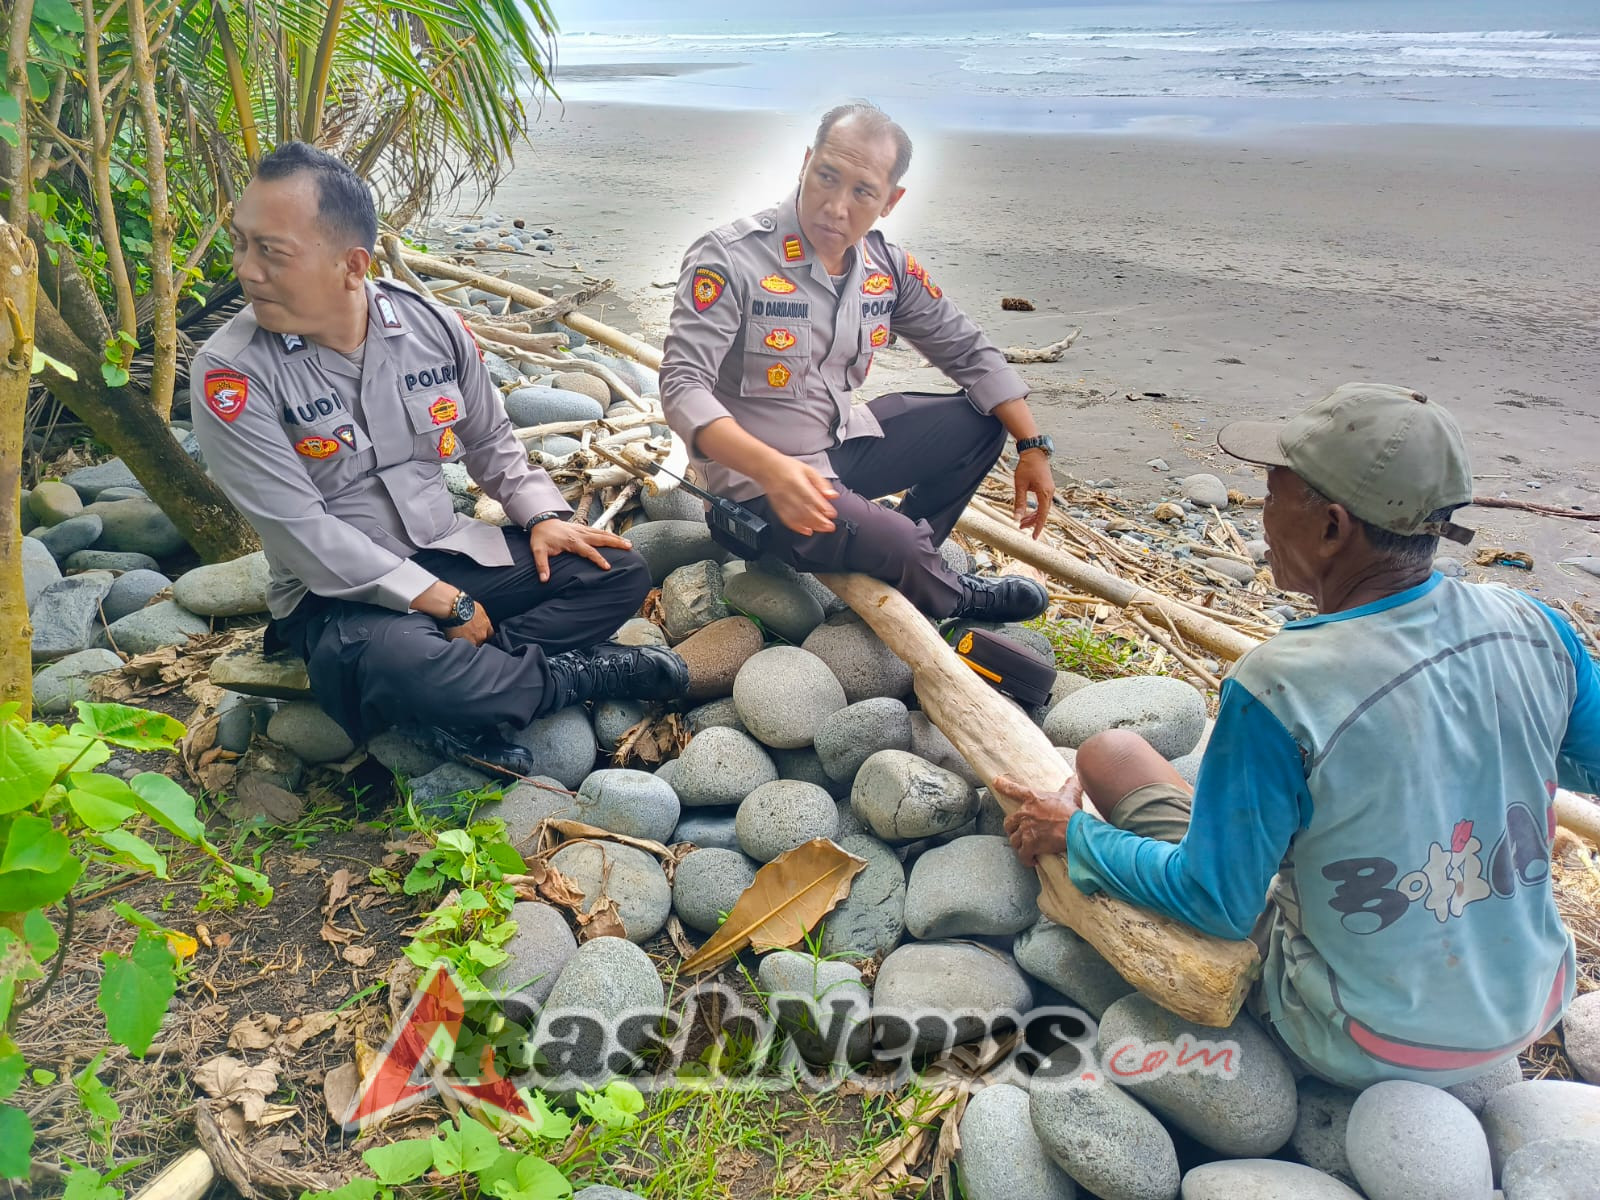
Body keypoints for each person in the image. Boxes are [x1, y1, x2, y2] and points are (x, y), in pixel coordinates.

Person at [997, 382, 1599, 1089]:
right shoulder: (1539, 628)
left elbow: (1216, 906)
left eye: (1271, 495)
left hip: (1365, 1039)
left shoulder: (1281, 684)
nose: (1261, 517)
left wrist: (1072, 836)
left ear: (1333, 528)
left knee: (1111, 757)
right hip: (1531, 1000)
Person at [191, 142, 687, 777]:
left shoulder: (430, 326)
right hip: (340, 594)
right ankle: (572, 677)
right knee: (406, 663)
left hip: (447, 547)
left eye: (271, 251)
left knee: (617, 570)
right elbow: (302, 532)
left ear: (352, 265)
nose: (246, 270)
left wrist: (542, 516)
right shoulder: (231, 374)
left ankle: (476, 685)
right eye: (241, 244)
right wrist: (445, 604)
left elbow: (490, 441)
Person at [661, 102, 1055, 623]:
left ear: (890, 201)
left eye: (862, 191)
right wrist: (773, 470)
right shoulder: (730, 257)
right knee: (901, 545)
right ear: (806, 162)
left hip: (838, 449)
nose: (835, 206)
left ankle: (896, 547)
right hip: (755, 490)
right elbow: (682, 385)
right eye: (827, 176)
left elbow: (968, 350)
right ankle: (947, 590)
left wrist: (1032, 446)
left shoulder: (885, 268)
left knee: (982, 422)